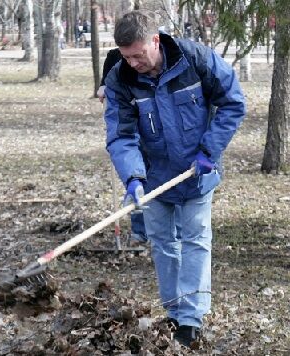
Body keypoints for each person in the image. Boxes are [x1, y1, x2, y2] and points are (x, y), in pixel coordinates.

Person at [104, 11, 246, 347]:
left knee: (195, 239)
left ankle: (191, 320)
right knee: (163, 243)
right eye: (127, 56)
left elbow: (232, 102)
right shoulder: (120, 79)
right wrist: (134, 178)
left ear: (155, 40)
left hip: (197, 171)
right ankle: (173, 311)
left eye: (139, 54)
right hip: (153, 178)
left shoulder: (195, 59)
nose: (134, 62)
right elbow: (121, 135)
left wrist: (210, 151)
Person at [97, 48, 148, 245]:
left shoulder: (156, 53)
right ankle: (140, 231)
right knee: (135, 181)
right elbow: (104, 88)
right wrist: (103, 89)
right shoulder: (114, 56)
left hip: (154, 128)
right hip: (129, 127)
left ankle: (166, 231)